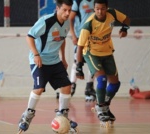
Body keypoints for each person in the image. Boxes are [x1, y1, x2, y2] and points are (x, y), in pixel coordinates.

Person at [18, 0, 78, 133]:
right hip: (39, 60)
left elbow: (61, 40)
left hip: (55, 60)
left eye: (70, 10)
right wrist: (36, 54)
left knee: (67, 86)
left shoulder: (67, 23)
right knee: (39, 88)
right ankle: (27, 115)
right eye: (64, 10)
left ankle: (63, 116)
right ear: (57, 8)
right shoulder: (46, 21)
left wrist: (63, 58)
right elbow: (30, 36)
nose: (67, 13)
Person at [76, 0, 130, 126]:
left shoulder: (112, 13)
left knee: (115, 84)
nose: (100, 11)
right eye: (97, 9)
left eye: (102, 9)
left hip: (107, 52)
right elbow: (79, 47)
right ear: (94, 9)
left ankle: (105, 105)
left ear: (107, 8)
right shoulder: (88, 24)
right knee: (102, 80)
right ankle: (100, 108)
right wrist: (79, 67)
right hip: (91, 53)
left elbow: (127, 19)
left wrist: (125, 29)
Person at [57, 0, 96, 102]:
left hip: (94, 37)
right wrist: (73, 35)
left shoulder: (97, 2)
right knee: (77, 62)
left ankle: (89, 87)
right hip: (81, 36)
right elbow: (70, 19)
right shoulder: (77, 2)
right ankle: (71, 86)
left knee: (94, 62)